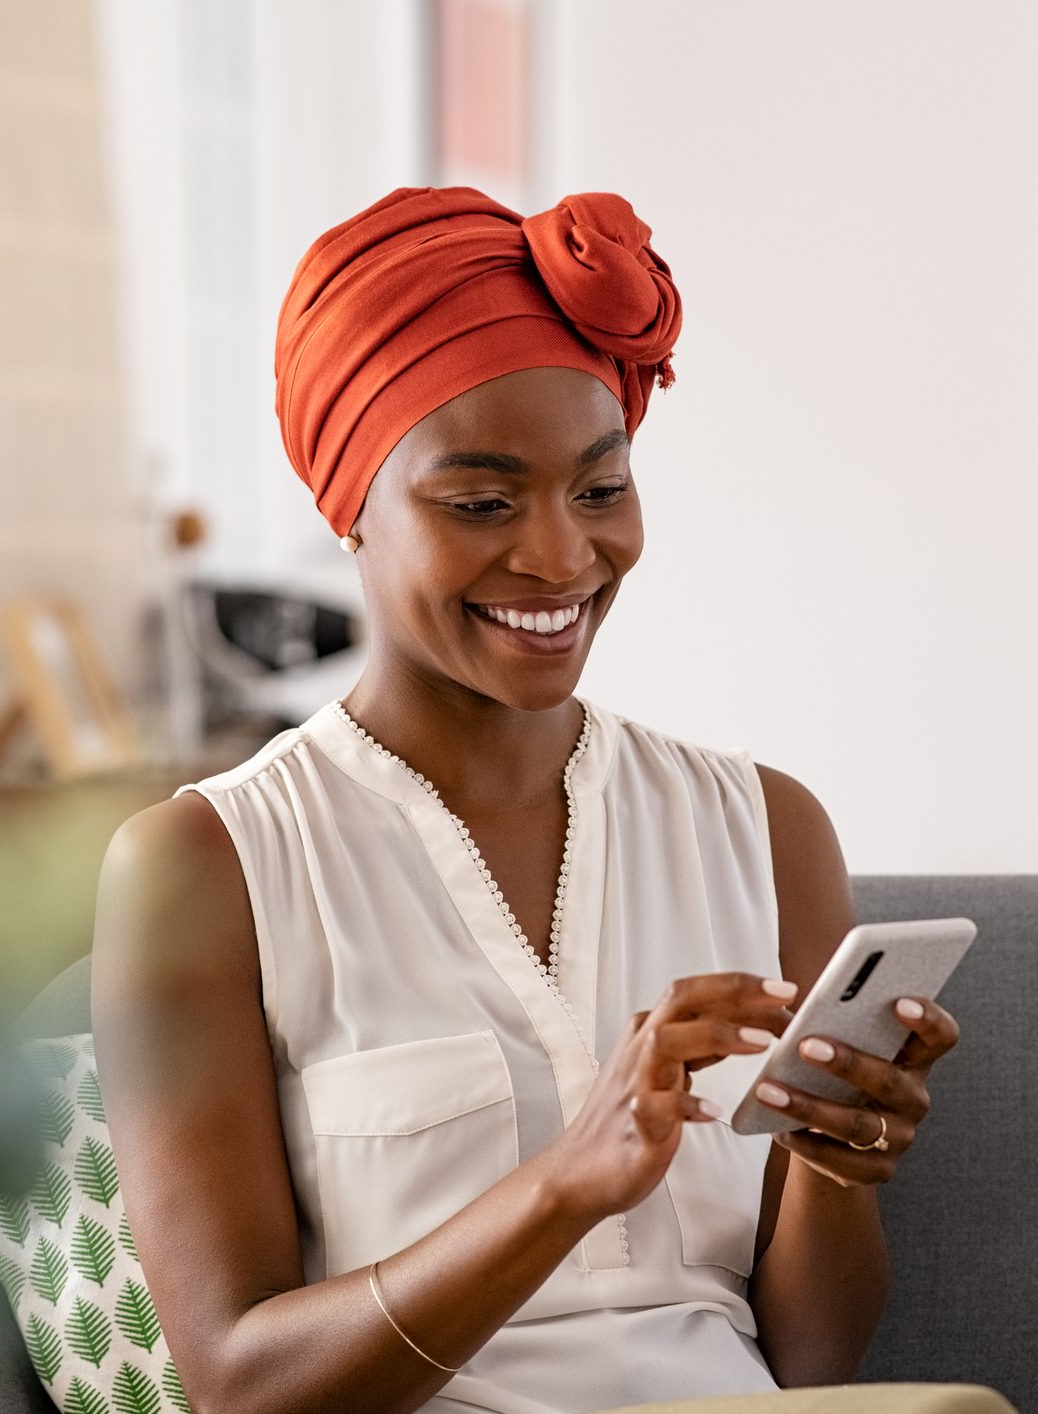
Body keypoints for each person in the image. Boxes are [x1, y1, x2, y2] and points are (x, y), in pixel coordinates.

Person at [90, 186, 962, 1414]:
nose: (559, 558)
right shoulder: (208, 864)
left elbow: (813, 1363)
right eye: (482, 503)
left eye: (600, 490)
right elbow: (240, 1385)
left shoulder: (766, 830)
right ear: (349, 508)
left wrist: (838, 1168)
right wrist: (563, 1184)